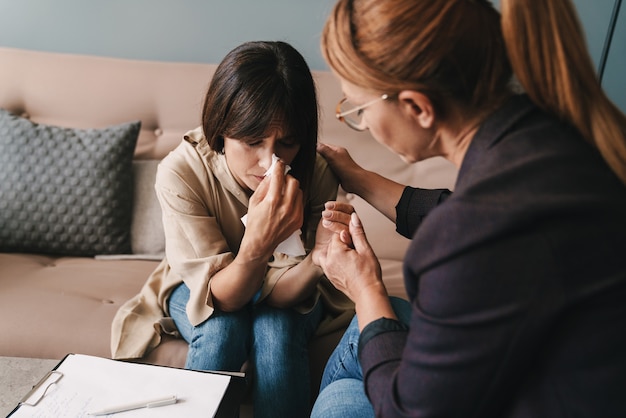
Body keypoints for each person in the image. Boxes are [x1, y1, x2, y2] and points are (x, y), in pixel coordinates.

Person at [310, 0, 626, 417]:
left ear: (418, 107)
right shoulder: (547, 135)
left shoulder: (474, 231)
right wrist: (361, 179)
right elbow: (475, 222)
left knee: (339, 399)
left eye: (360, 109)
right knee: (385, 323)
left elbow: (411, 410)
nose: (363, 124)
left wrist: (365, 288)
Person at [110, 41, 353, 418]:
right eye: (252, 141)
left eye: (286, 143)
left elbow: (280, 296)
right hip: (204, 286)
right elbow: (222, 298)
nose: (270, 160)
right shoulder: (182, 173)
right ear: (221, 130)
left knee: (277, 328)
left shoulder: (313, 170)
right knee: (223, 326)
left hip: (290, 290)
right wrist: (259, 242)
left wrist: (318, 259)